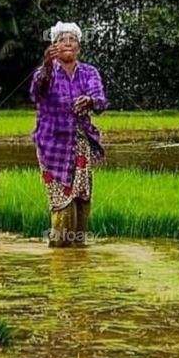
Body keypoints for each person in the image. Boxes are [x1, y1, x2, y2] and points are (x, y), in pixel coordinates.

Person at [30, 21, 108, 247]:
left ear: (79, 47)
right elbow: (36, 93)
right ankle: (60, 250)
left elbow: (101, 102)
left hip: (79, 141)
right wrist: (46, 65)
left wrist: (90, 101)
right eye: (62, 39)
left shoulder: (89, 72)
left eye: (72, 39)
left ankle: (77, 248)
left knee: (81, 195)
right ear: (54, 47)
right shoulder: (45, 72)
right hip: (51, 144)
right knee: (61, 199)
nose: (67, 43)